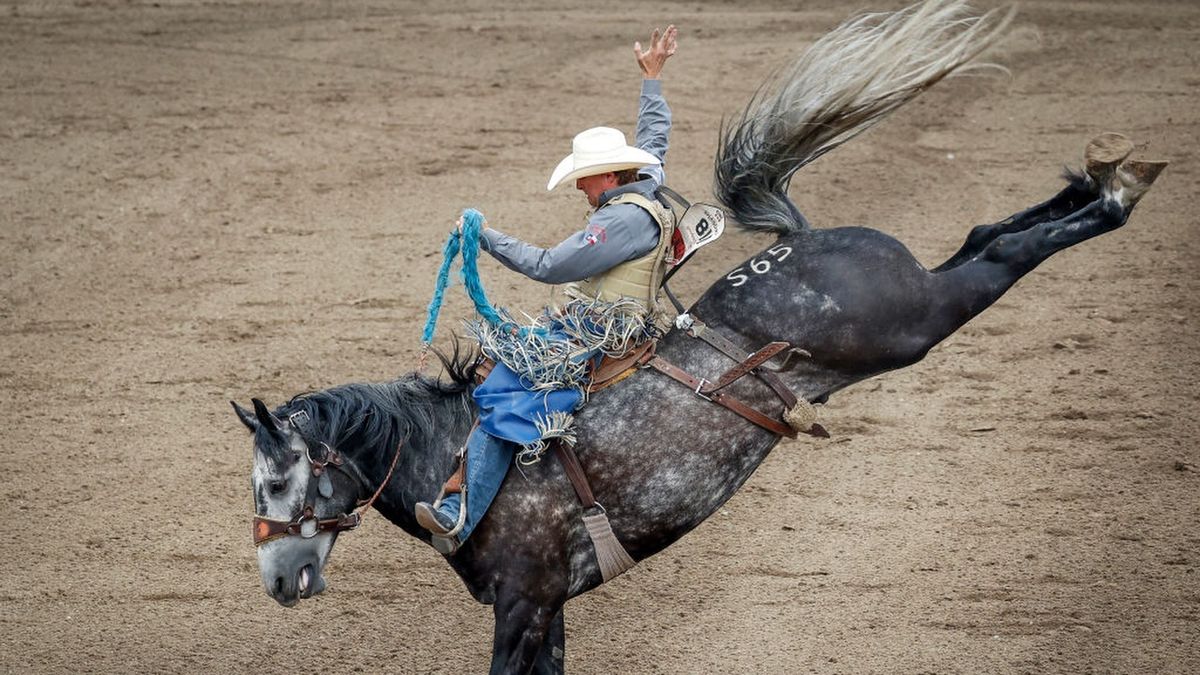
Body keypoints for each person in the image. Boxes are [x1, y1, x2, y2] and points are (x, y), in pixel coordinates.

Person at [415, 25, 680, 554]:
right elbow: (654, 141)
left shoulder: (620, 221)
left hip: (602, 330)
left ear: (608, 177)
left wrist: (483, 235)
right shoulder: (644, 187)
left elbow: (549, 265)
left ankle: (458, 516)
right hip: (617, 320)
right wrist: (652, 80)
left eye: (585, 178)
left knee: (505, 385)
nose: (580, 188)